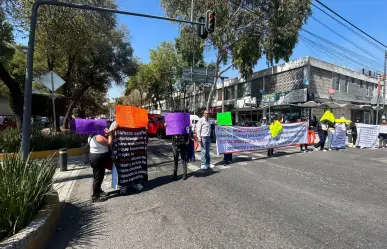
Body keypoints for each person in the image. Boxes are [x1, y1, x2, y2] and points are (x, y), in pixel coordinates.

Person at [88, 123, 117, 202]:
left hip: (96, 158)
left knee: (98, 176)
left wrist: (110, 133)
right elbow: (109, 143)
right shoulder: (98, 137)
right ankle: (95, 196)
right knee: (98, 177)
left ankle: (98, 191)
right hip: (98, 159)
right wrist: (110, 134)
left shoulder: (92, 136)